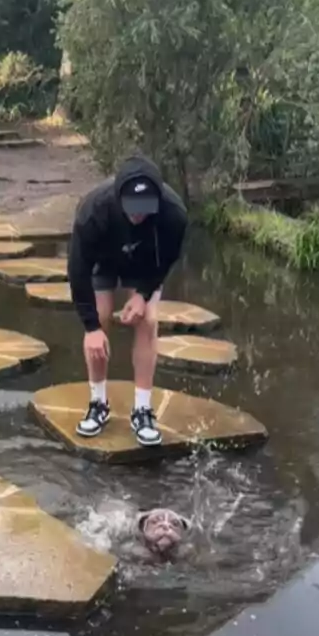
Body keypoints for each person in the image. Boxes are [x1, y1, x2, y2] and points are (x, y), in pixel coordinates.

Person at [66, 155, 187, 447]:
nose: (138, 216)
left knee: (147, 319)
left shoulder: (173, 214)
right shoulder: (94, 210)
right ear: (119, 197)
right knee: (101, 315)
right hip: (104, 260)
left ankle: (142, 409)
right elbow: (77, 270)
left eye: (144, 211)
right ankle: (98, 404)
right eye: (132, 210)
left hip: (145, 264)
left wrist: (143, 294)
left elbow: (168, 259)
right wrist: (91, 327)